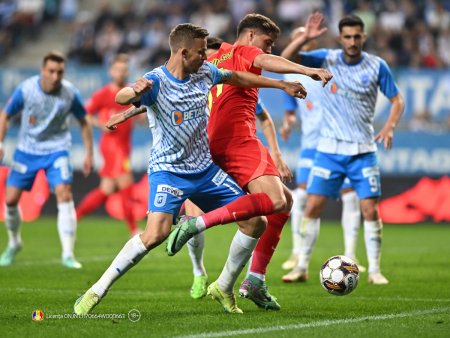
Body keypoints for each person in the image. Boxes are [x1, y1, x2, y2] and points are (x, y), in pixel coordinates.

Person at [73, 23, 308, 315]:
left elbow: (236, 77)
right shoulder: (154, 81)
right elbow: (124, 95)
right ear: (183, 52)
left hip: (205, 170)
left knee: (256, 222)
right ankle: (97, 289)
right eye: (200, 52)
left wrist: (282, 84)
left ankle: (224, 287)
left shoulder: (205, 73)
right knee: (154, 235)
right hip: (168, 172)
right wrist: (130, 95)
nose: (205, 57)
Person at [166, 13, 333, 311]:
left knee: (284, 202)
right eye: (267, 43)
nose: (268, 50)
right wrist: (306, 71)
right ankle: (197, 227)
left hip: (213, 144)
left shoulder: (214, 61)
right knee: (275, 200)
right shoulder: (243, 50)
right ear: (252, 35)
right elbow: (270, 61)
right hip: (239, 140)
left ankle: (250, 279)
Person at [280, 14, 405, 285]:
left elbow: (397, 99)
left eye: (357, 36)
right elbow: (285, 61)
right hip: (329, 149)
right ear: (340, 38)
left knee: (370, 209)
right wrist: (304, 38)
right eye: (347, 37)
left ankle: (374, 270)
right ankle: (301, 265)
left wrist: (391, 125)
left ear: (364, 37)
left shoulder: (377, 66)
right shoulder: (327, 57)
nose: (352, 41)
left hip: (363, 149)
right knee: (312, 206)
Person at [184, 36, 293, 300]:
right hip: (203, 155)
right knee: (191, 215)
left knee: (278, 204)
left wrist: (277, 154)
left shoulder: (230, 82)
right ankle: (199, 271)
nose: (206, 61)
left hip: (230, 151)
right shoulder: (193, 84)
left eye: (210, 56)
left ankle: (251, 279)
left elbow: (263, 116)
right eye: (203, 57)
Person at [279, 19, 366, 283]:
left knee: (350, 198)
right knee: (302, 198)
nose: (306, 40)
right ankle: (298, 255)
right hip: (311, 146)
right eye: (300, 37)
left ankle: (352, 255)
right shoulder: (289, 73)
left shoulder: (328, 67)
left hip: (338, 144)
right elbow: (290, 107)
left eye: (309, 38)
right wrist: (288, 121)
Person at [0, 51, 94, 269]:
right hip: (27, 151)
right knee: (11, 200)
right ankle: (14, 243)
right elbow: (6, 114)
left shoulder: (70, 92)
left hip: (57, 150)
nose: (55, 76)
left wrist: (89, 152)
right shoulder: (26, 89)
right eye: (51, 71)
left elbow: (83, 120)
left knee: (64, 193)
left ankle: (68, 254)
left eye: (59, 72)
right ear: (43, 70)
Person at [75, 53, 140, 235]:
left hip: (124, 145)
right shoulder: (104, 94)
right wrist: (100, 125)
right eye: (118, 69)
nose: (121, 73)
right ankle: (133, 229)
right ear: (111, 71)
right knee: (126, 181)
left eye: (124, 70)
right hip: (112, 147)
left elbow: (140, 117)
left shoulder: (130, 92)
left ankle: (75, 216)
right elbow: (84, 113)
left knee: (107, 189)